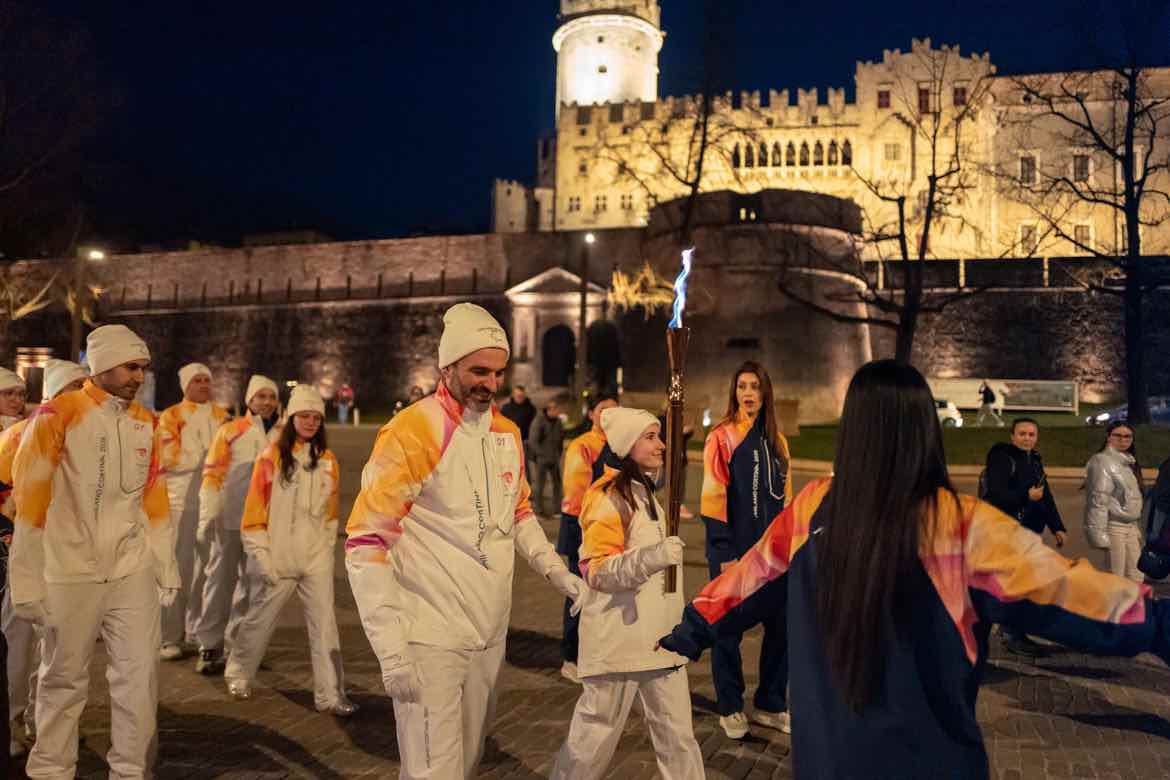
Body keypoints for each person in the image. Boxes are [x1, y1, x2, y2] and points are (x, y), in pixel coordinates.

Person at [660, 359, 1170, 780]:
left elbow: (743, 583)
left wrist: (686, 632)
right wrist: (1157, 623)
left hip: (830, 763)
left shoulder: (813, 509)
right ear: (925, 429)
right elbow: (1068, 591)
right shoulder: (962, 527)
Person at [345, 302, 584, 780]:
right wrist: (391, 649)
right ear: (447, 365)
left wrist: (558, 572)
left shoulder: (507, 431)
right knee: (435, 770)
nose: (490, 384)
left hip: (489, 633)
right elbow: (366, 541)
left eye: (498, 373)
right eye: (478, 371)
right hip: (430, 635)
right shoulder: (414, 429)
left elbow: (517, 515)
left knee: (467, 761)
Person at [10, 324, 179, 779]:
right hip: (70, 572)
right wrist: (26, 581)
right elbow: (30, 502)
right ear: (102, 364)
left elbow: (154, 498)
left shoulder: (147, 422)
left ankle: (130, 771)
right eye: (130, 366)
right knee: (63, 680)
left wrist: (165, 564)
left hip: (130, 570)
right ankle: (50, 770)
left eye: (142, 367)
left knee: (138, 680)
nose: (138, 376)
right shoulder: (57, 414)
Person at [550, 407, 703, 780]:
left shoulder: (646, 490)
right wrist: (652, 558)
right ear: (626, 444)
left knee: (679, 739)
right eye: (650, 437)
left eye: (659, 436)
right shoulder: (607, 496)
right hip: (618, 642)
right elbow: (596, 571)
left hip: (662, 640)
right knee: (592, 741)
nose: (661, 445)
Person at [223, 384, 356, 716]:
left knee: (325, 626)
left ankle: (330, 694)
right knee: (259, 620)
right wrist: (263, 557)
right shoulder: (270, 458)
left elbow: (331, 513)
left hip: (315, 559)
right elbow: (254, 514)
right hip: (278, 556)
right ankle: (238, 672)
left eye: (316, 418)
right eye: (304, 416)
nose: (311, 422)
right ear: (292, 417)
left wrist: (325, 550)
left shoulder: (327, 460)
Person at [698, 361, 792, 738]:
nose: (748, 393)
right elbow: (713, 497)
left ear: (765, 392)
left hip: (773, 556)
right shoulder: (722, 437)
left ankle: (770, 703)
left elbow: (784, 502)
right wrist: (723, 552)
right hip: (734, 553)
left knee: (782, 627)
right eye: (741, 387)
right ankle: (730, 706)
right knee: (726, 631)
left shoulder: (778, 441)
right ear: (734, 393)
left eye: (754, 386)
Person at [0, 360, 87, 757]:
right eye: (73, 387)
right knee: (18, 637)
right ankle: (12, 720)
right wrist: (11, 535)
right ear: (53, 393)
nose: (82, 395)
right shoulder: (19, 435)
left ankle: (48, 719)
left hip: (73, 555)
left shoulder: (93, 436)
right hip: (30, 550)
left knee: (62, 644)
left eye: (85, 386)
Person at [192, 374, 280, 675]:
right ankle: (209, 644)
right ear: (249, 400)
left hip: (264, 524)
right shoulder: (231, 430)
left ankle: (241, 648)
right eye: (261, 397)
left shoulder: (283, 433)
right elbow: (213, 473)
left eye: (271, 397)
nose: (266, 402)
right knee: (219, 581)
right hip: (230, 518)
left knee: (255, 586)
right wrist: (209, 513)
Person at [158, 363, 230, 659]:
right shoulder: (171, 416)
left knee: (210, 569)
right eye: (196, 380)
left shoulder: (222, 416)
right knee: (178, 567)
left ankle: (199, 631)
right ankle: (168, 636)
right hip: (181, 501)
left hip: (215, 500)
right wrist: (206, 457)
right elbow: (168, 458)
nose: (202, 385)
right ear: (185, 385)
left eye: (206, 380)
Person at [982, 418, 1067, 656]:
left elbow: (1045, 496)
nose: (1027, 438)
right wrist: (1025, 495)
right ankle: (1011, 634)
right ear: (1012, 436)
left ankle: (1009, 629)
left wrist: (1057, 526)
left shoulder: (1035, 460)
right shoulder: (1001, 457)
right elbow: (997, 494)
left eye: (1031, 434)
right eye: (1022, 434)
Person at [558, 392, 619, 682]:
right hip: (581, 529)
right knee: (579, 595)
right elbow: (575, 496)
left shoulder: (620, 445)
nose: (608, 416)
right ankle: (571, 656)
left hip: (609, 532)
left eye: (614, 411)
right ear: (592, 413)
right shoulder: (583, 445)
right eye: (603, 410)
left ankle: (595, 652)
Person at [1085, 421, 1146, 583]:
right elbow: (1098, 499)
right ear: (1108, 437)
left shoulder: (1128, 462)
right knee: (1116, 575)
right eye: (1117, 435)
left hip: (1130, 526)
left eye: (1127, 436)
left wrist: (1136, 526)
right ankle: (1115, 608)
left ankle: (1134, 607)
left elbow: (1132, 498)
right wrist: (1098, 534)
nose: (1123, 439)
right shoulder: (1102, 461)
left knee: (1136, 574)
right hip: (1114, 526)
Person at [527, 398, 564, 517]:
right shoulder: (539, 421)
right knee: (539, 485)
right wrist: (542, 454)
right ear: (548, 410)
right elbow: (533, 441)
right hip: (541, 459)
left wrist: (559, 453)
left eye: (557, 409)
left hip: (554, 458)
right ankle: (538, 510)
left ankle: (557, 510)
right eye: (554, 409)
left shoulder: (558, 422)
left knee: (557, 484)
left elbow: (561, 438)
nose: (557, 411)